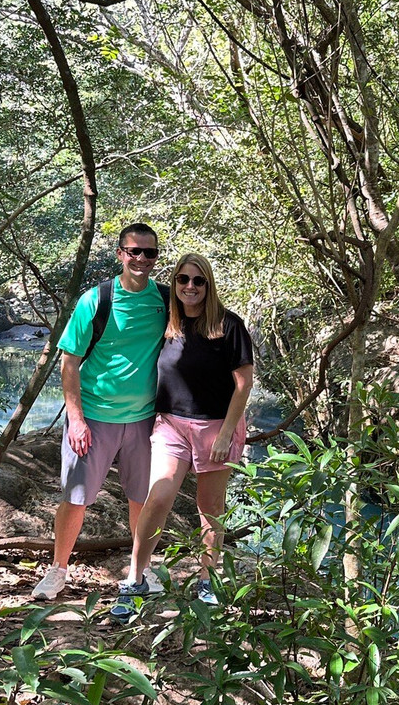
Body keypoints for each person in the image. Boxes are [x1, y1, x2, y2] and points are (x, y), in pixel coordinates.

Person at [111, 253, 253, 619]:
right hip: (171, 424)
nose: (190, 287)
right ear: (174, 283)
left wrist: (224, 435)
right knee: (157, 497)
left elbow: (243, 384)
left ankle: (208, 580)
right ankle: (135, 579)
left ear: (208, 285)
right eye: (183, 280)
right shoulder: (168, 324)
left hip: (216, 427)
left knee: (210, 509)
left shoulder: (228, 326)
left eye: (198, 281)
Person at [32, 223, 168, 600]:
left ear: (157, 258)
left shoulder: (166, 300)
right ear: (120, 254)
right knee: (76, 497)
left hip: (144, 420)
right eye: (134, 251)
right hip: (94, 416)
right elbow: (69, 362)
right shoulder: (97, 299)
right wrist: (75, 419)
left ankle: (141, 569)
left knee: (143, 498)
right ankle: (58, 570)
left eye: (149, 253)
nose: (141, 259)